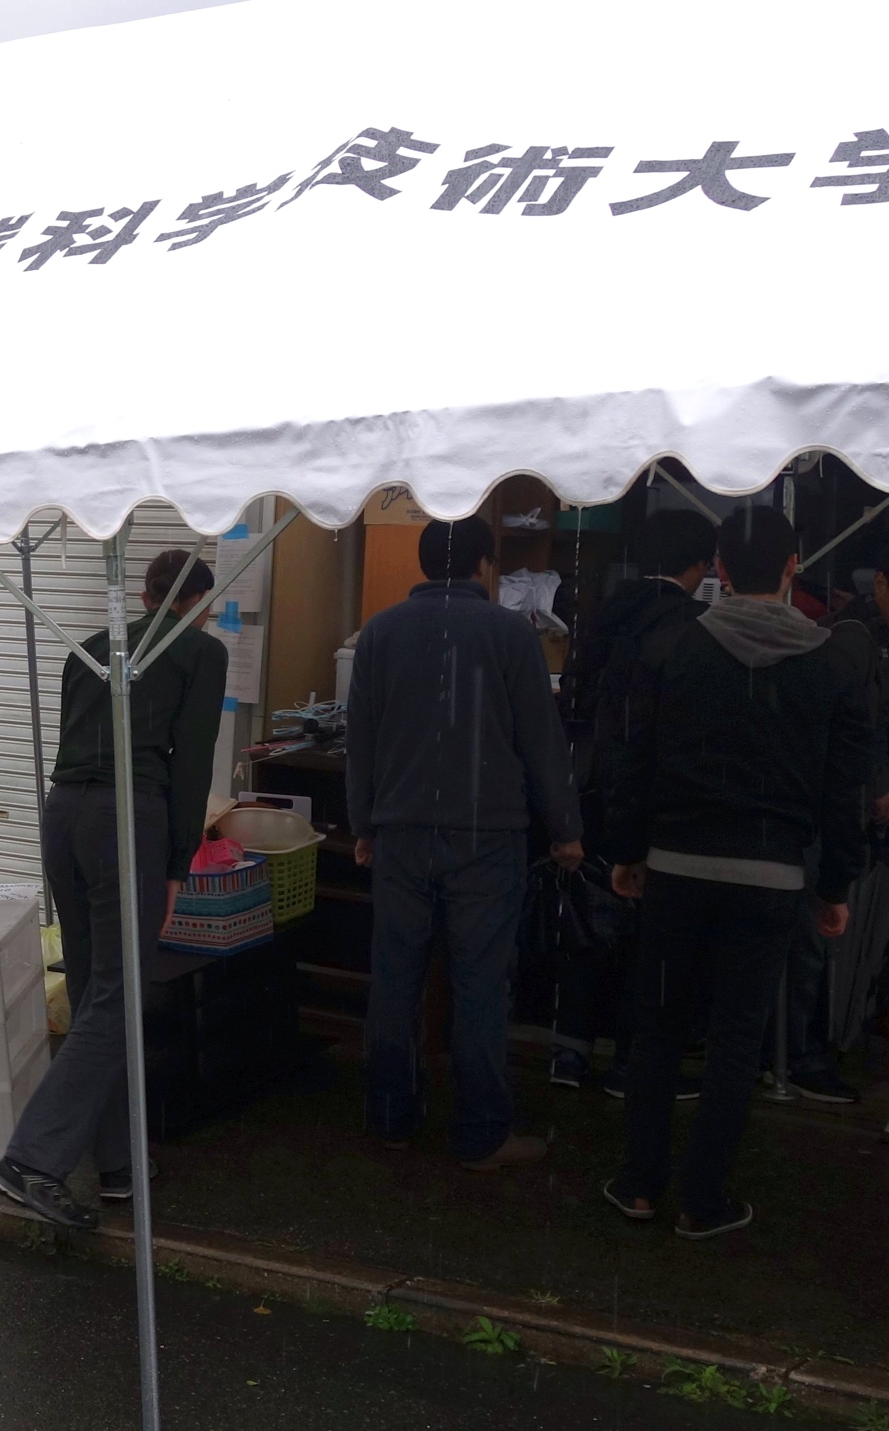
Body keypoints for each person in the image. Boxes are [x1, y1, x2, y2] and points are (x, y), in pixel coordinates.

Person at [600, 508, 869, 1238]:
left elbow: (635, 762)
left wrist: (626, 852)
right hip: (773, 876)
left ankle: (640, 1184)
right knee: (737, 1038)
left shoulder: (672, 649)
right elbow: (844, 790)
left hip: (677, 867)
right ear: (791, 569)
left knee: (659, 1027)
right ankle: (704, 1200)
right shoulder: (831, 665)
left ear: (719, 568)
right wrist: (836, 885)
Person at [0, 551, 225, 1230]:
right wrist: (179, 863)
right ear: (196, 599)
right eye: (206, 605)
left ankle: (119, 1163)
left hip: (64, 814)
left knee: (99, 992)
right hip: (129, 819)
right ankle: (32, 1160)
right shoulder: (198, 654)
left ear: (148, 595)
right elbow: (192, 767)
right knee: (119, 995)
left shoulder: (87, 649)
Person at [346, 517, 578, 1171]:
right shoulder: (512, 635)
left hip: (399, 832)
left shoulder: (380, 634)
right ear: (484, 566)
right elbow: (542, 742)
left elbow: (360, 738)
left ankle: (390, 1116)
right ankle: (480, 1133)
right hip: (487, 836)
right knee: (479, 985)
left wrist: (362, 825)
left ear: (425, 567)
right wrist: (566, 830)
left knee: (395, 979)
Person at [551, 507, 716, 1092]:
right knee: (651, 941)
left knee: (585, 926)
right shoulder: (695, 627)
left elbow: (572, 704)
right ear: (701, 564)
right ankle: (629, 1066)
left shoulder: (600, 616)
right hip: (656, 798)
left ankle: (568, 1054)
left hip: (588, 790)